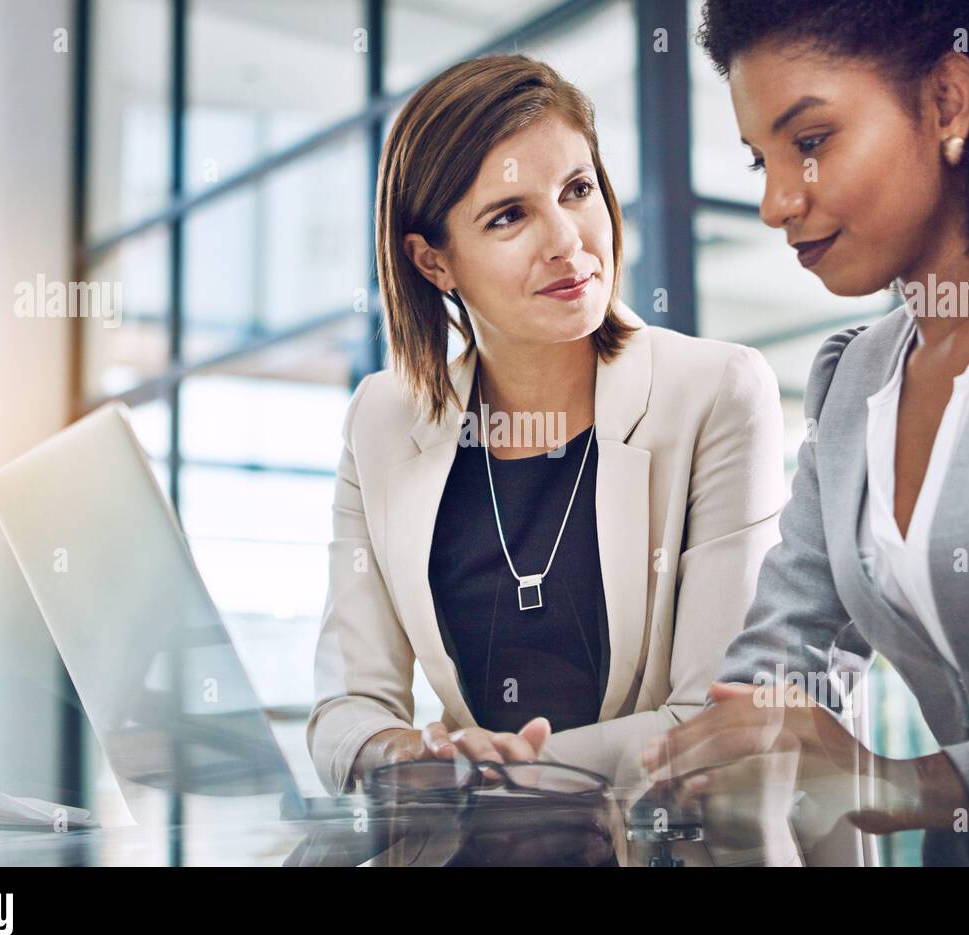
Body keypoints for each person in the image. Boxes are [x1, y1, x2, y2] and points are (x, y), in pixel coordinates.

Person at [646, 0, 969, 865]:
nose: (777, 203)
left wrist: (913, 786)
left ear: (948, 104)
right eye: (758, 160)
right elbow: (779, 657)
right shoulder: (854, 382)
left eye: (810, 142)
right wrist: (667, 764)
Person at [306, 54, 788, 796]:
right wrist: (405, 756)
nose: (566, 240)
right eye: (509, 215)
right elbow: (347, 710)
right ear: (434, 263)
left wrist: (498, 778)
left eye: (577, 189)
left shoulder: (716, 392)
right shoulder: (381, 420)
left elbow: (709, 723)